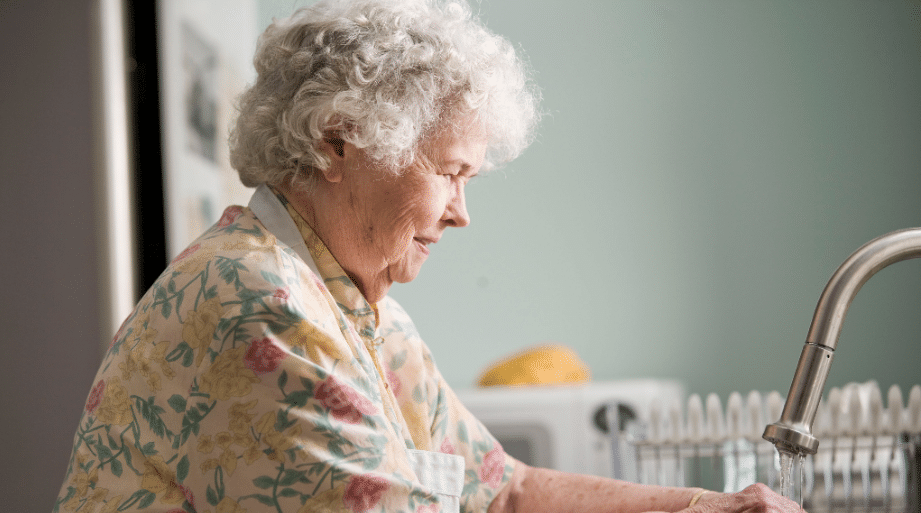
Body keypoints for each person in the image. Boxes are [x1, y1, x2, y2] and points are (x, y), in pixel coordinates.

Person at [53, 1, 803, 512]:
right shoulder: (259, 303)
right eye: (449, 172)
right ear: (337, 142)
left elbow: (501, 490)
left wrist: (713, 506)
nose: (461, 211)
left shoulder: (354, 304)